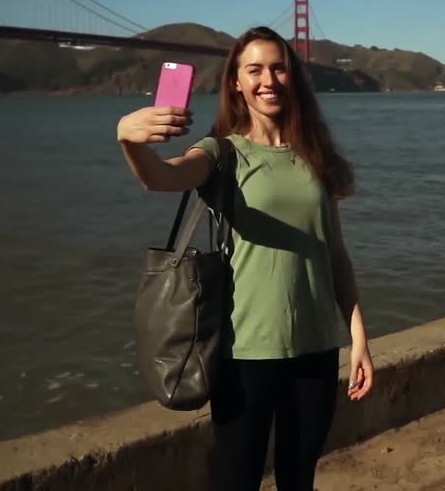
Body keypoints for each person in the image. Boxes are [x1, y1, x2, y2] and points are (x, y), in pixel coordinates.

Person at [116, 26, 374, 491]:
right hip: (245, 354)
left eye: (278, 67)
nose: (268, 79)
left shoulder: (314, 154)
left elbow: (334, 252)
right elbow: (162, 178)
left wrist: (358, 337)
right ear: (236, 82)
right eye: (254, 69)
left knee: (300, 480)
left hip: (316, 350)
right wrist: (129, 141)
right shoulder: (222, 152)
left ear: (292, 76)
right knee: (237, 481)